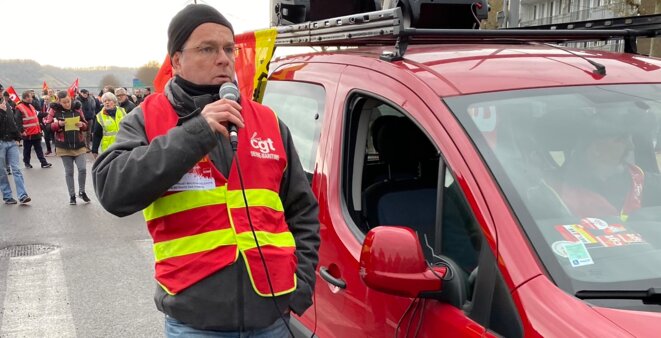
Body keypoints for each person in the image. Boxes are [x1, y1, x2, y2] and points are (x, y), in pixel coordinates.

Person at [92, 4, 320, 336]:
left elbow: (303, 211)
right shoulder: (146, 118)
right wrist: (197, 132)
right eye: (207, 49)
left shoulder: (268, 121)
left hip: (272, 317)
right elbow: (112, 190)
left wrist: (301, 285)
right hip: (195, 321)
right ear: (176, 60)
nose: (224, 58)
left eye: (229, 48)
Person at [550, 108, 661, 221]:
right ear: (596, 149)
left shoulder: (641, 180)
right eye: (622, 139)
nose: (631, 146)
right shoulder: (557, 195)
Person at [45, 91, 91, 205]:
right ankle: (72, 196)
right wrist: (58, 124)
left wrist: (82, 125)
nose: (67, 104)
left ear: (71, 99)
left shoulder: (77, 108)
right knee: (69, 171)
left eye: (68, 101)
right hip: (63, 145)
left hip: (78, 143)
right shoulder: (54, 110)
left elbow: (86, 124)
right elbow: (47, 126)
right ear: (59, 102)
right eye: (64, 102)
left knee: (82, 169)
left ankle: (82, 191)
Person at [0, 87, 31, 204]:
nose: (1, 93)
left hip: (11, 141)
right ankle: (7, 196)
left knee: (16, 169)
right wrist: (1, 112)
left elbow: (12, 121)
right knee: (2, 171)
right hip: (0, 142)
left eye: (1, 91)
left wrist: (18, 137)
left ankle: (22, 195)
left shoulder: (6, 103)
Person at [15, 91, 52, 169]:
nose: (31, 98)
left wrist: (48, 114)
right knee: (27, 150)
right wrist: (22, 131)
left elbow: (38, 115)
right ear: (26, 98)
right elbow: (18, 121)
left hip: (36, 132)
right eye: (30, 97)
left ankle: (43, 163)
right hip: (27, 133)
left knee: (39, 149)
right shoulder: (20, 107)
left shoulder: (31, 106)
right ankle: (27, 163)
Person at [91, 92, 126, 158]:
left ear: (114, 102)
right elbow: (97, 134)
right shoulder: (100, 116)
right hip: (108, 148)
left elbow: (129, 126)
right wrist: (94, 150)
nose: (107, 103)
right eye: (104, 101)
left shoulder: (122, 111)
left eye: (109, 100)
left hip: (123, 145)